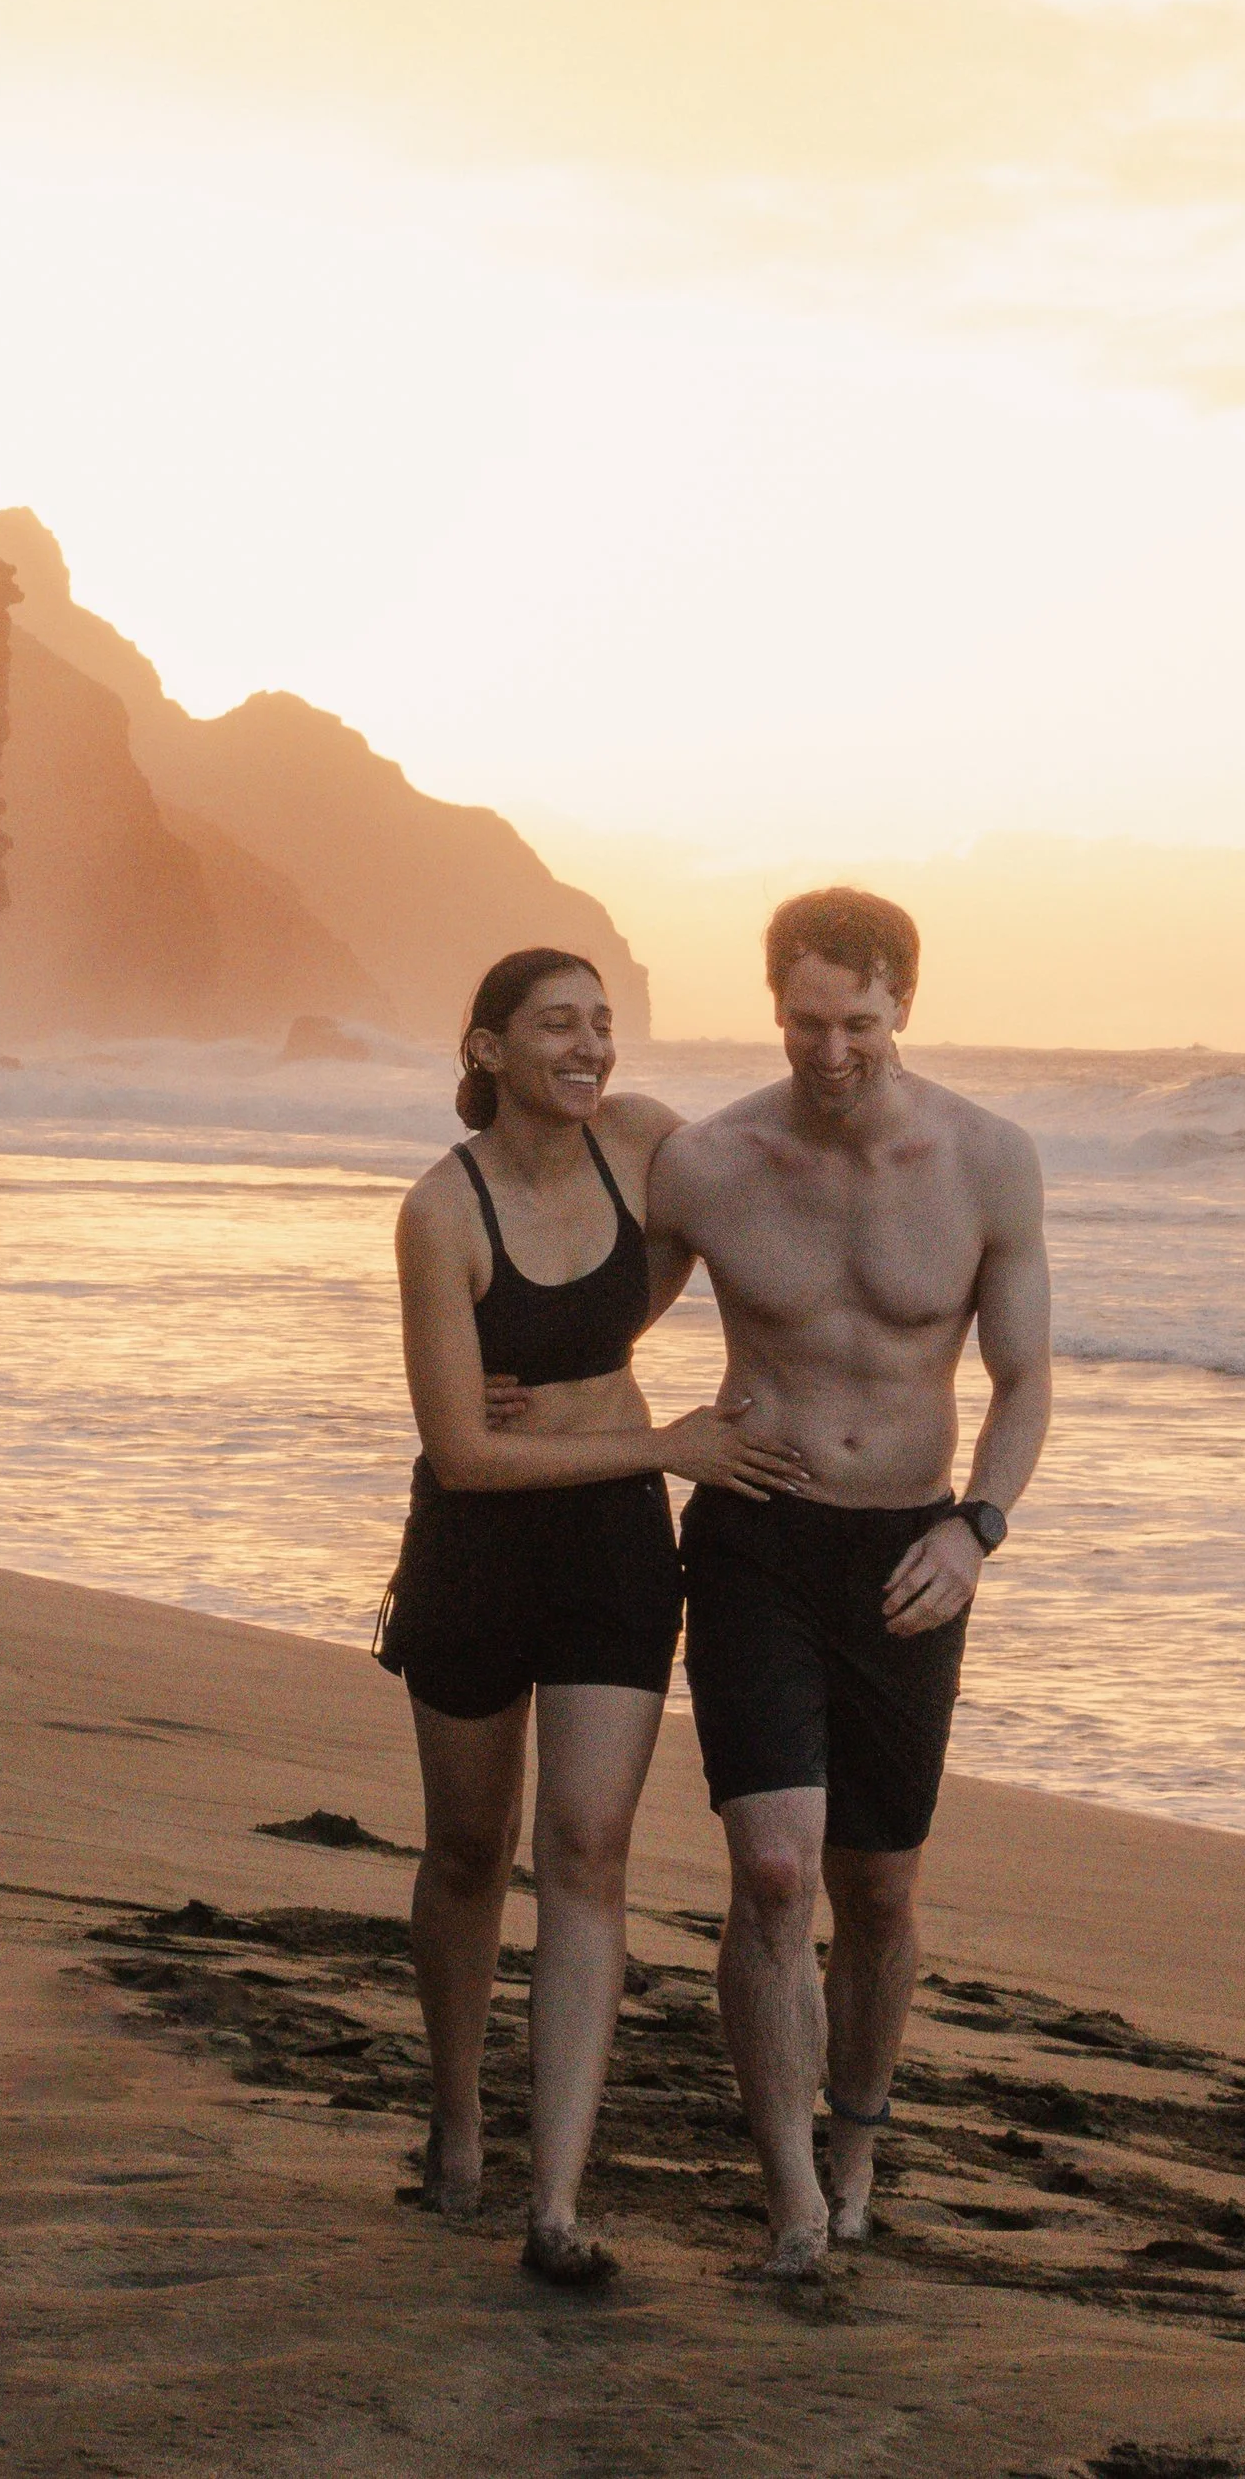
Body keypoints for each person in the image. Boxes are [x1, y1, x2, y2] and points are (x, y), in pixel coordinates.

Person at [381, 945, 807, 2288]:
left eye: (601, 1024)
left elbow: (762, 1192)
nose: (589, 1046)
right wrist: (656, 1442)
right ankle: (458, 2121)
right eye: (557, 1024)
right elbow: (462, 1456)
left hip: (615, 1551)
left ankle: (552, 2204)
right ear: (489, 1048)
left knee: (586, 1851)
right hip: (475, 1547)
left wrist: (587, 1369)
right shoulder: (441, 1214)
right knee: (466, 1852)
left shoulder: (643, 1144)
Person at [647, 887, 1052, 2279]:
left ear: (905, 1009)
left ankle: (859, 2145)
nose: (832, 1052)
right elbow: (593, 1321)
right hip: (757, 1540)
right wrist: (643, 1438)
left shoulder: (990, 1162)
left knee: (876, 1891)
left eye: (860, 1024)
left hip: (908, 1557)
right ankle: (792, 2206)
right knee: (771, 1873)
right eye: (808, 1021)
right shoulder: (709, 1162)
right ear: (773, 1005)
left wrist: (976, 1529)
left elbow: (1025, 1380)